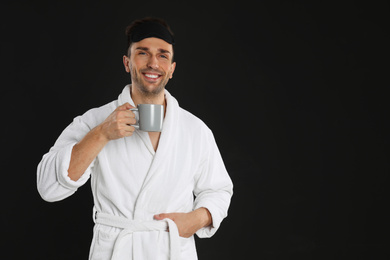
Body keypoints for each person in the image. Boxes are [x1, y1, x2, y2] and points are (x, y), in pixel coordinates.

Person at [37, 17, 233, 260]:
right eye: (143, 53)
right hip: (115, 250)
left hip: (171, 250)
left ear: (171, 68)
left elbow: (219, 190)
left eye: (163, 55)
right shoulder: (95, 120)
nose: (153, 63)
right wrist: (101, 134)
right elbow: (48, 186)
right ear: (127, 62)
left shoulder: (195, 129)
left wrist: (198, 218)